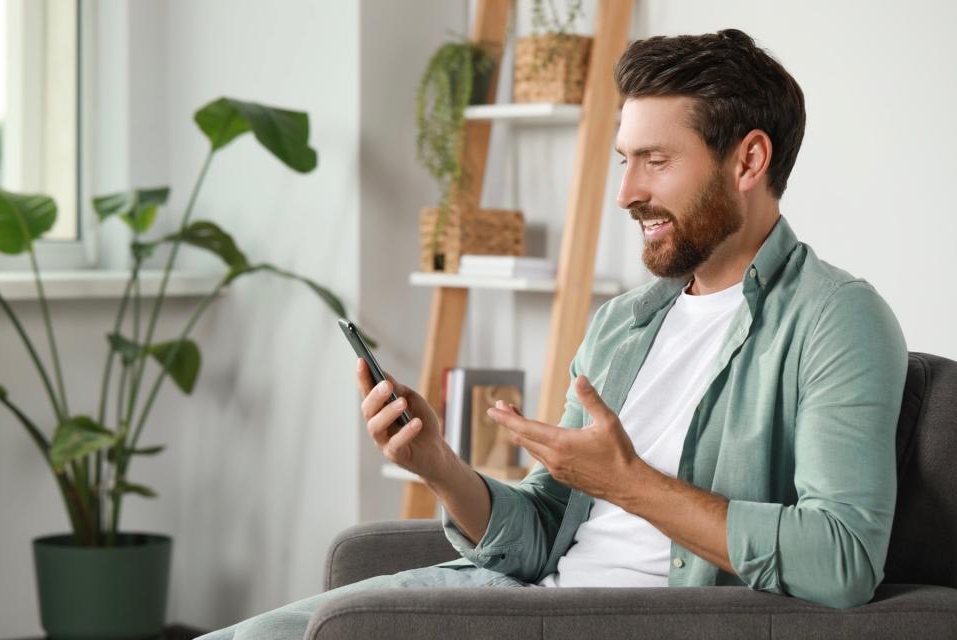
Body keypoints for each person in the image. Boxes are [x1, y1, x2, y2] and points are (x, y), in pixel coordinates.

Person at [198, 27, 907, 640]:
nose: (627, 192)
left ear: (748, 161)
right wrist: (439, 464)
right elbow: (541, 532)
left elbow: (842, 559)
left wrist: (629, 485)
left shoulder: (835, 319)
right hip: (520, 600)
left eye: (656, 161)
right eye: (623, 160)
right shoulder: (625, 324)